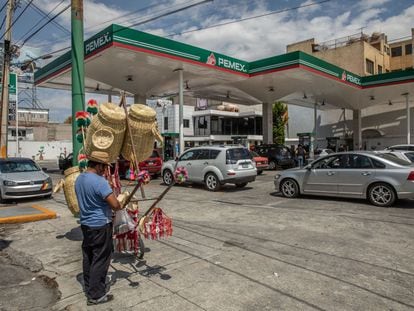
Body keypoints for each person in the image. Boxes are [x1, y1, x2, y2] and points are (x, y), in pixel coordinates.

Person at [75, 151, 123, 305]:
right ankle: (96, 295)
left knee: (89, 256)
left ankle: (90, 287)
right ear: (97, 164)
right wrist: (119, 203)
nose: (105, 170)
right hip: (100, 225)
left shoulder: (79, 179)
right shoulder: (99, 181)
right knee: (100, 259)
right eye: (104, 167)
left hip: (86, 224)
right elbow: (115, 204)